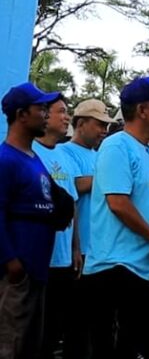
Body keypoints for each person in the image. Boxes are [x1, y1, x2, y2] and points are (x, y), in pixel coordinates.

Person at [83, 77, 149, 359]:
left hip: (143, 266)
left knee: (137, 345)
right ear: (142, 110)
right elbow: (118, 203)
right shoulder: (117, 146)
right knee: (112, 350)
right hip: (115, 267)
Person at [0, 82, 62, 359]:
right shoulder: (5, 159)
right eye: (41, 108)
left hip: (37, 270)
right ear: (22, 115)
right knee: (9, 345)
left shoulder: (34, 158)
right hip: (17, 274)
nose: (46, 114)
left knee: (30, 346)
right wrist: (11, 263)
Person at [59, 99, 112, 359]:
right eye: (99, 124)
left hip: (103, 251)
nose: (104, 130)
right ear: (80, 124)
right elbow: (74, 187)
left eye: (106, 125)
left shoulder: (100, 155)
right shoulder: (65, 153)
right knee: (77, 324)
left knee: (101, 323)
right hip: (81, 251)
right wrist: (110, 176)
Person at [33, 96, 78, 359]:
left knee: (53, 332)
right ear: (44, 115)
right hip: (37, 260)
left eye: (67, 111)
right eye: (61, 112)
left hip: (63, 261)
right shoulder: (29, 152)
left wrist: (76, 248)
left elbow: (74, 204)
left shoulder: (65, 154)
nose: (66, 117)